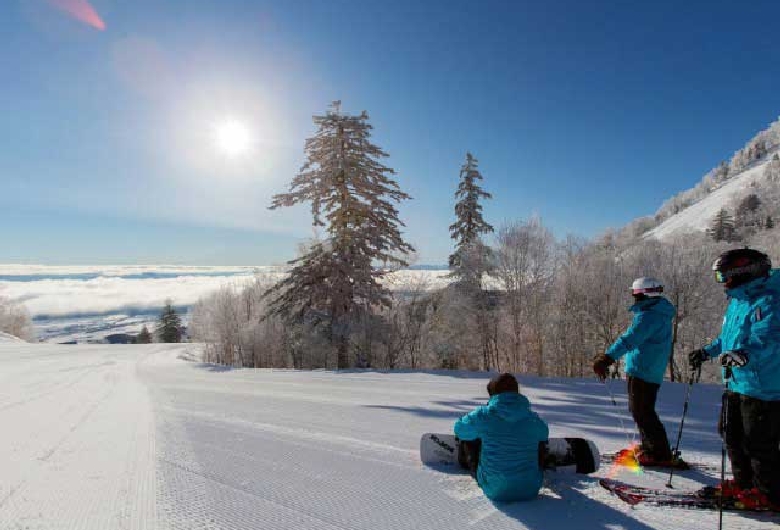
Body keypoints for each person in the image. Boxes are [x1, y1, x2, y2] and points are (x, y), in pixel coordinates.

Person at [689, 248, 780, 511]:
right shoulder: (739, 300)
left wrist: (745, 354)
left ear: (744, 273)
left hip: (764, 386)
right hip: (737, 381)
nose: (722, 282)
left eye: (724, 276)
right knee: (730, 433)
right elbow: (728, 338)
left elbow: (770, 339)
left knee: (759, 442)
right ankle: (745, 484)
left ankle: (769, 494)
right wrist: (708, 351)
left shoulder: (771, 299)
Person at [592, 277, 681, 467]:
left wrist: (608, 358)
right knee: (642, 410)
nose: (634, 298)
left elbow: (630, 339)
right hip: (650, 368)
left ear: (642, 295)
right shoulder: (658, 312)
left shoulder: (649, 316)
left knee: (642, 411)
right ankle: (651, 447)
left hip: (643, 369)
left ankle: (659, 452)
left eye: (635, 294)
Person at [453, 373, 549, 502]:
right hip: (530, 489)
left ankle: (467, 461)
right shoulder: (531, 417)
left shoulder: (484, 415)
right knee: (538, 440)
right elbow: (544, 434)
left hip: (494, 489)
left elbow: (459, 430)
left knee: (471, 436)